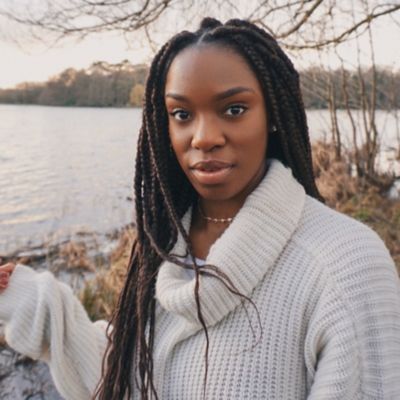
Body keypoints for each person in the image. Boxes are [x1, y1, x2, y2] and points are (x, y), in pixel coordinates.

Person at [1, 17, 400, 400]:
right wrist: (34, 301)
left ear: (273, 116)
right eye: (182, 115)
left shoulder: (345, 266)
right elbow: (130, 375)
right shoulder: (165, 244)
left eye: (234, 109)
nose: (204, 137)